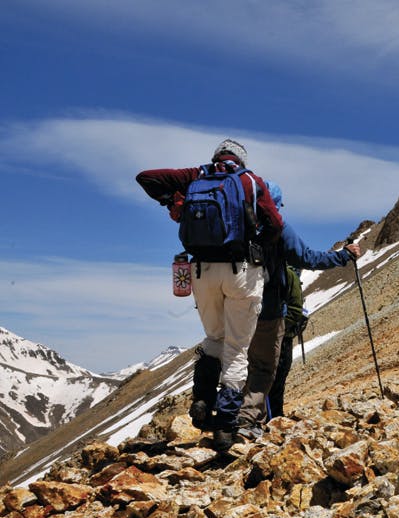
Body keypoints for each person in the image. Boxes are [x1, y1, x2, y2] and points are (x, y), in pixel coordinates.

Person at [135, 139, 283, 451]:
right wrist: (256, 238)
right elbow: (275, 223)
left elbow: (146, 177)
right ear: (240, 160)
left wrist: (173, 204)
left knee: (213, 338)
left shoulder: (196, 176)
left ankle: (202, 399)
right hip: (241, 271)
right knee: (237, 349)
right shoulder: (250, 181)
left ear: (216, 157)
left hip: (201, 271)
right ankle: (226, 425)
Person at [236, 181, 360, 439]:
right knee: (266, 370)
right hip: (268, 311)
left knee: (237, 364)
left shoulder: (234, 226)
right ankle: (254, 422)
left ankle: (230, 414)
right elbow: (308, 258)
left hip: (233, 306)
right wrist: (344, 256)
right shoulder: (278, 228)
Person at [266, 264, 307, 422]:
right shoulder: (291, 274)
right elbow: (296, 310)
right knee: (279, 375)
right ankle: (275, 415)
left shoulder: (272, 270)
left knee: (266, 375)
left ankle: (265, 413)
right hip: (283, 336)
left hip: (264, 332)